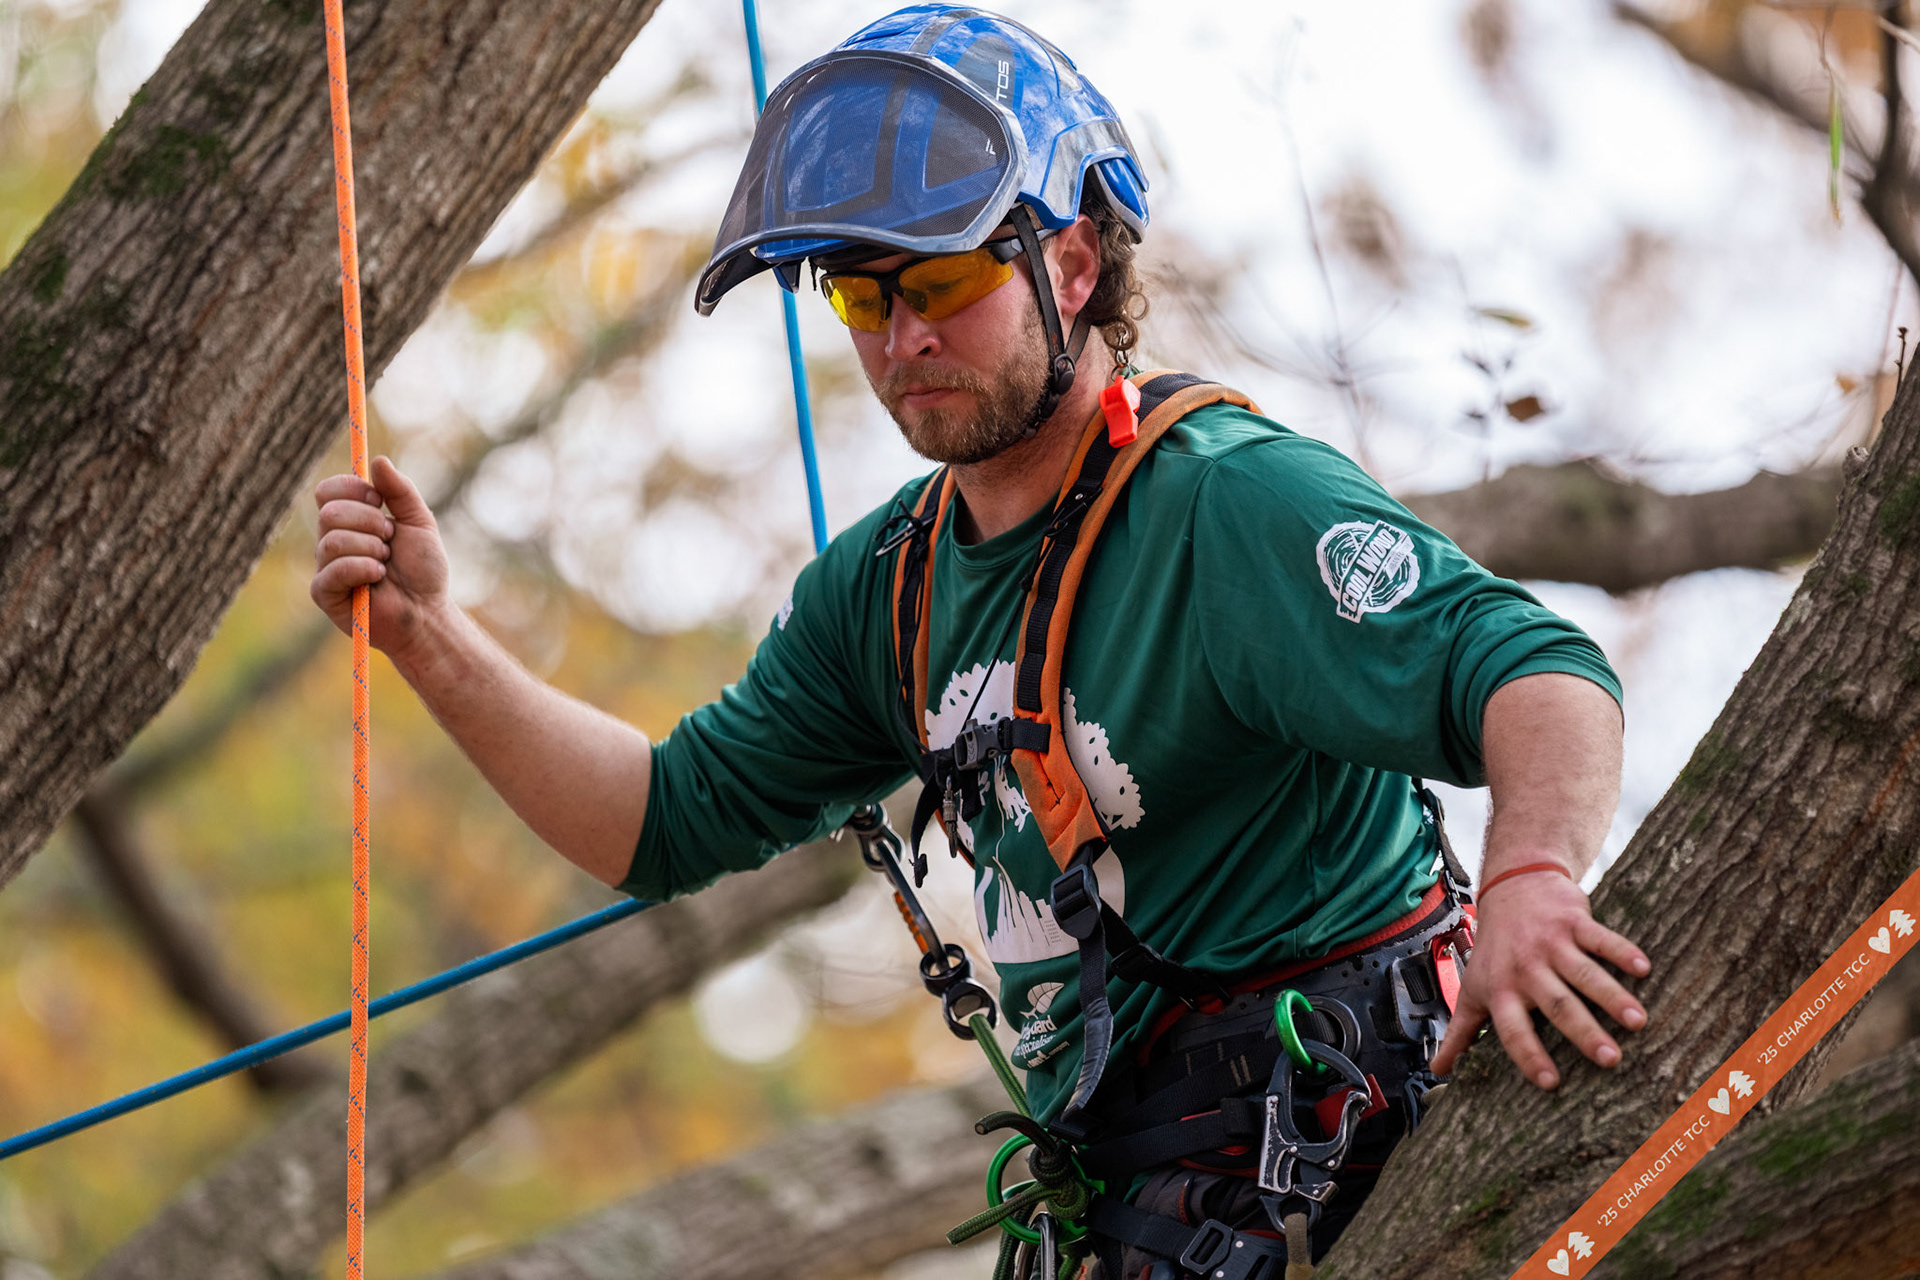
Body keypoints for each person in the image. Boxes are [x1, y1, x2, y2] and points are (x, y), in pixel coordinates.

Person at [310, 6, 1650, 1274]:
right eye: (858, 299)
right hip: (1137, 1175)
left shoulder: (1221, 502)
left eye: (944, 279)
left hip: (1328, 1125)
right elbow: (661, 822)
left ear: (1072, 262)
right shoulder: (882, 590)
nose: (906, 337)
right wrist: (431, 638)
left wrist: (1534, 877)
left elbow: (1530, 665)